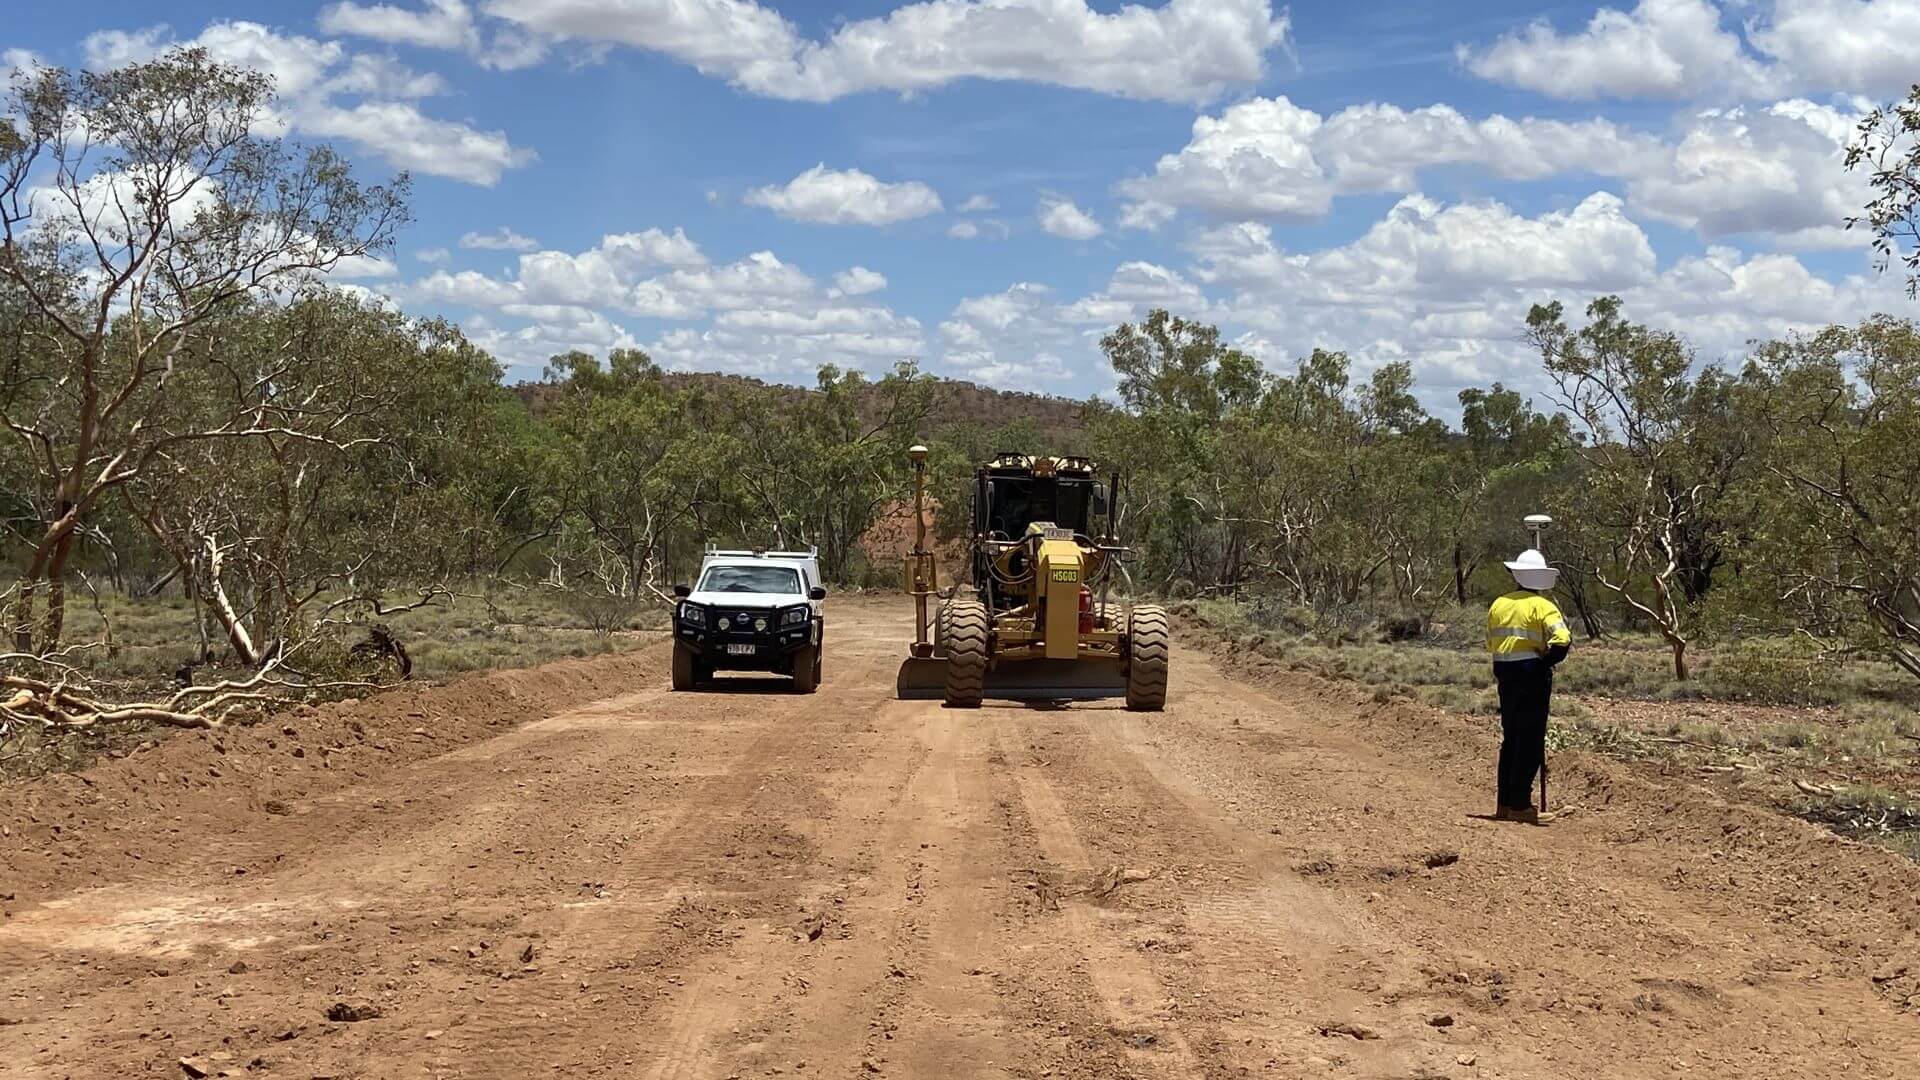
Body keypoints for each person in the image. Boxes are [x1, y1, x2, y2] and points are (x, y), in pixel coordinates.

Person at [1486, 549, 1572, 824]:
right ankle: (1521, 804)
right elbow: (1562, 640)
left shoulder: (1498, 603)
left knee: (1511, 737)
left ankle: (1504, 803)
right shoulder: (1543, 606)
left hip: (1503, 670)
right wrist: (1546, 662)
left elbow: (1490, 641)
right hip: (1531, 672)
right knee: (1531, 739)